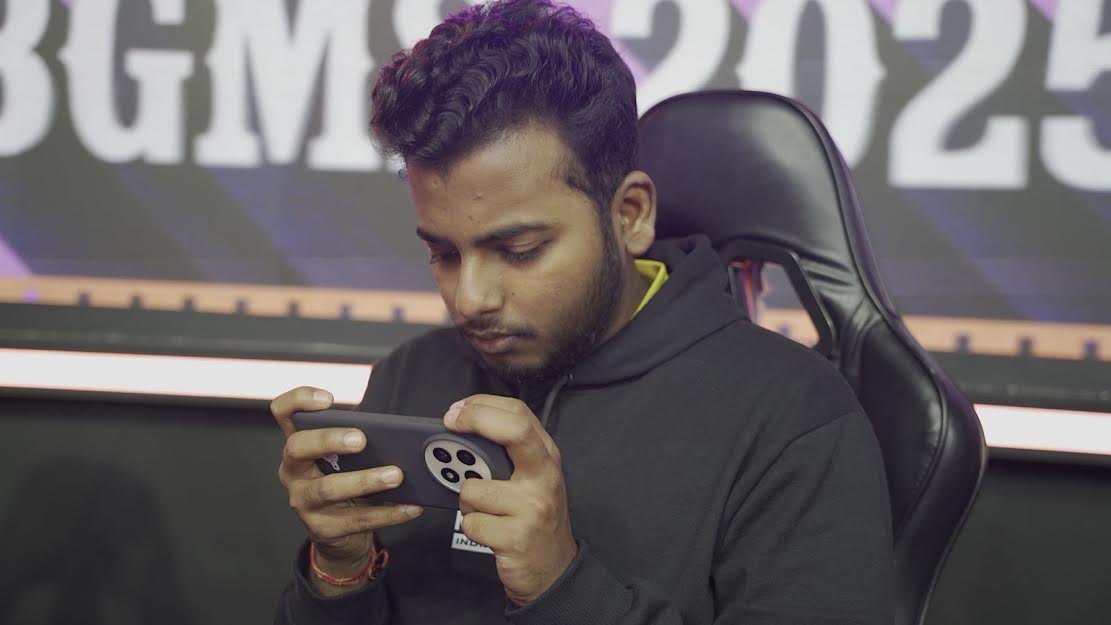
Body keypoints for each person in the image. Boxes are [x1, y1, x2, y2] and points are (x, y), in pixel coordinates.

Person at [271, 1, 894, 623]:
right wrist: (340, 570)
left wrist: (559, 588)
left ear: (630, 215)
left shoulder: (794, 420)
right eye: (444, 254)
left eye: (519, 251)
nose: (470, 299)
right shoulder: (409, 378)